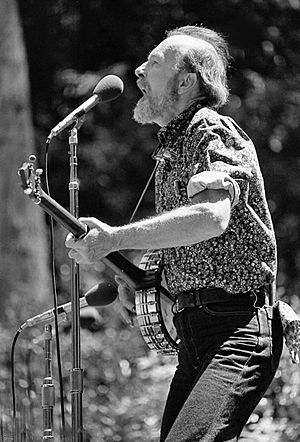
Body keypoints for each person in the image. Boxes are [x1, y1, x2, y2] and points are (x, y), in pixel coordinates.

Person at [65, 25, 283, 441]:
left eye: (154, 63)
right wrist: (142, 282)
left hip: (237, 329)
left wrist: (114, 238)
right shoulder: (173, 148)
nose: (138, 72)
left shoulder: (210, 131)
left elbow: (210, 218)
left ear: (186, 82)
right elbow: (198, 246)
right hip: (195, 334)